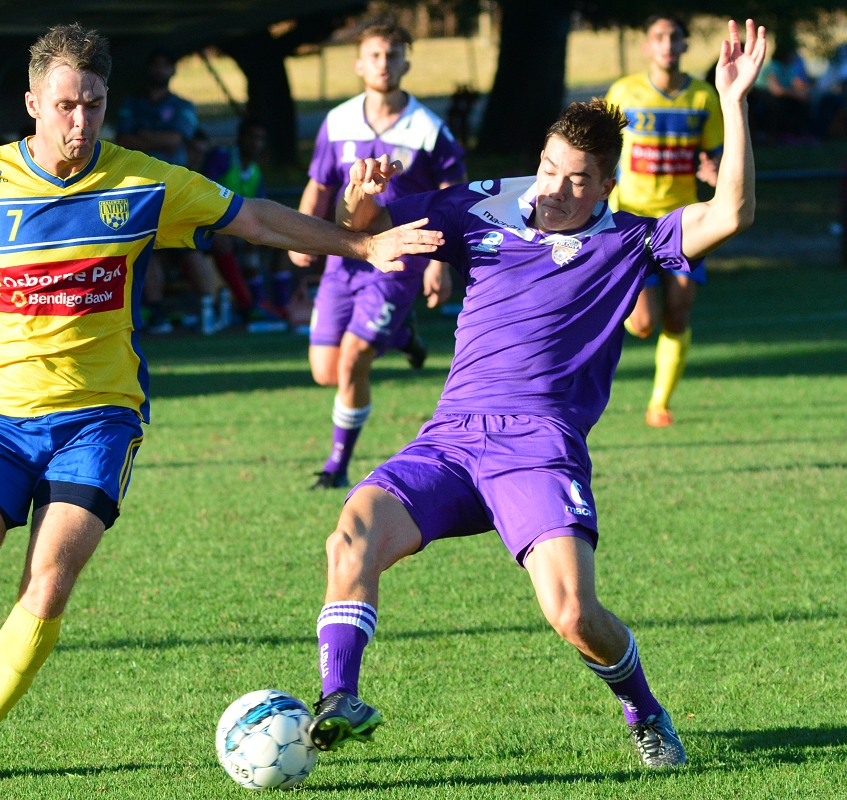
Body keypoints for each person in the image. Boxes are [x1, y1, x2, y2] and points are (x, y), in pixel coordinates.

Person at [0, 23, 442, 786]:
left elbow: (252, 219)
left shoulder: (143, 183)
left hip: (100, 416)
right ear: (32, 103)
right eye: (64, 104)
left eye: (93, 104)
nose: (79, 122)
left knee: (50, 576)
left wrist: (360, 247)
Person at [307, 18, 762, 770]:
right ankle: (337, 698)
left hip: (539, 444)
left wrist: (732, 102)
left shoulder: (628, 240)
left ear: (605, 187)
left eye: (576, 179)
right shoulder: (477, 206)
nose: (553, 189)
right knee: (351, 530)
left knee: (573, 613)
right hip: (450, 435)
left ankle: (644, 712)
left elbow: (730, 214)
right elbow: (372, 229)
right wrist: (361, 201)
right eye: (548, 168)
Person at [291, 22, 467, 490]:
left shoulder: (429, 130)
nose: (383, 64)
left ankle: (335, 466)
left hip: (396, 260)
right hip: (343, 254)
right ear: (359, 64)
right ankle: (399, 334)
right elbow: (320, 185)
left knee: (352, 362)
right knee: (325, 371)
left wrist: (439, 263)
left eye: (392, 55)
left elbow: (454, 200)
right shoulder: (338, 120)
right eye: (374, 55)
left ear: (406, 62)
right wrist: (301, 233)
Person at [607, 14, 724, 428]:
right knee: (641, 324)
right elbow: (603, 150)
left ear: (685, 45)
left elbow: (716, 155)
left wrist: (714, 171)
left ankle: (660, 404)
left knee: (678, 314)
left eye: (675, 37)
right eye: (659, 37)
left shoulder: (703, 97)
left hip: (684, 219)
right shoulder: (624, 93)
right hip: (633, 222)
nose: (668, 44)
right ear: (647, 46)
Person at [117, 49, 220, 333]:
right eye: (155, 64)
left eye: (166, 66)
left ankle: (210, 310)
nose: (160, 71)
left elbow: (176, 140)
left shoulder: (183, 105)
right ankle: (158, 312)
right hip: (139, 188)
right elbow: (123, 140)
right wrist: (156, 139)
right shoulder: (131, 103)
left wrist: (143, 137)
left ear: (173, 72)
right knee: (148, 251)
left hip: (176, 188)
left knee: (191, 247)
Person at [204, 118, 277, 320]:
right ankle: (246, 303)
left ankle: (272, 303)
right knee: (223, 242)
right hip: (210, 225)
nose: (256, 143)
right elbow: (204, 191)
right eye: (251, 137)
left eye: (260, 139)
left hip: (238, 227)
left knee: (277, 242)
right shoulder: (222, 157)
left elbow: (261, 207)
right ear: (240, 138)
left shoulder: (255, 172)